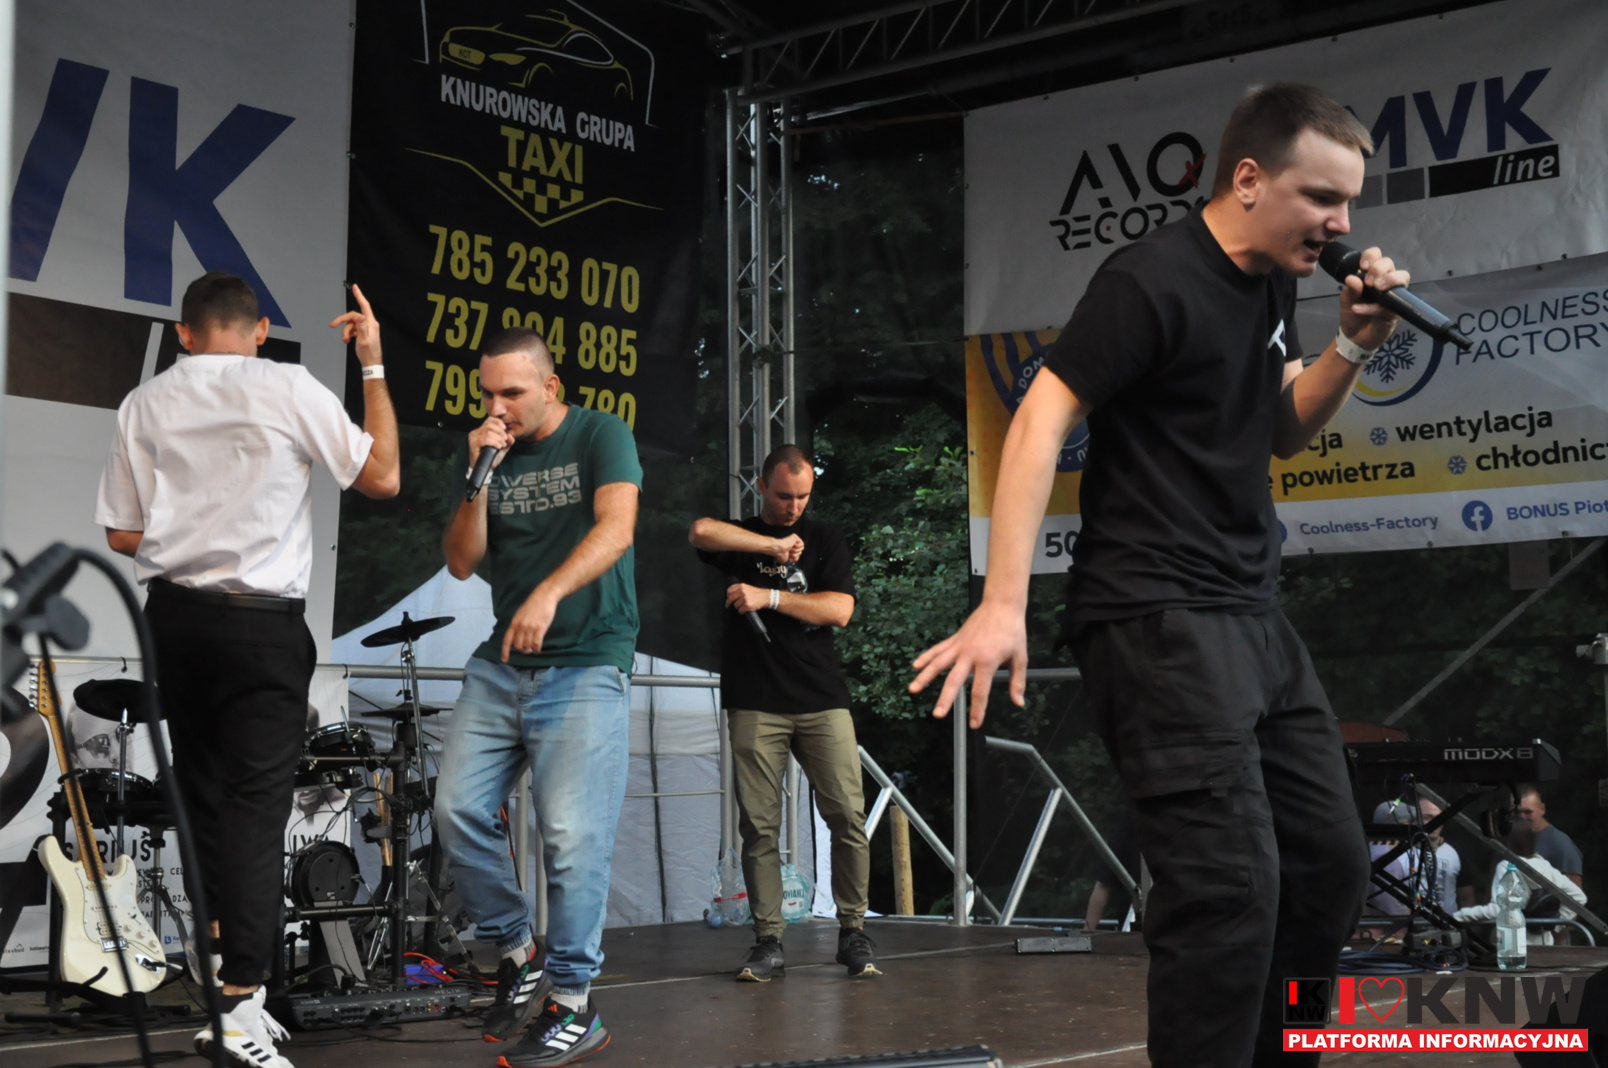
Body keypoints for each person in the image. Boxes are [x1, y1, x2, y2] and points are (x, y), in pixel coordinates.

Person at [910, 84, 1409, 1066]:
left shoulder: (1272, 279)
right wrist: (1003, 603)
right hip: (1157, 615)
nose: (1343, 225)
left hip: (1251, 611)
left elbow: (1281, 427)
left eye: (1349, 202)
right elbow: (1041, 415)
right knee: (1228, 891)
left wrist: (1353, 343)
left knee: (1328, 868)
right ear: (1249, 179)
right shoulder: (1150, 280)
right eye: (1322, 198)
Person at [96, 272, 399, 1068]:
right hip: (259, 625)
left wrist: (191, 527)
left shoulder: (143, 402)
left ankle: (233, 1001)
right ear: (259, 329)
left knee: (202, 803)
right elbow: (382, 477)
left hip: (174, 620)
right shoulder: (286, 385)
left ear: (184, 333)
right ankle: (237, 1008)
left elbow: (122, 534)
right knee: (256, 812)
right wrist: (371, 363)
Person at [435, 327, 639, 1067]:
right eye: (488, 394)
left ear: (551, 387)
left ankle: (575, 1002)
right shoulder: (487, 455)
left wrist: (550, 592)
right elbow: (462, 562)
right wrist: (477, 478)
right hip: (503, 665)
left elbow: (618, 528)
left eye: (512, 393)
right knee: (455, 810)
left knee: (571, 838)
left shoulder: (600, 434)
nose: (498, 407)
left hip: (586, 662)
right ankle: (516, 950)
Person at [688, 445, 878, 982]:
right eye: (784, 496)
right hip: (755, 698)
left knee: (848, 815)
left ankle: (853, 929)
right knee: (759, 825)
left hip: (821, 698)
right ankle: (768, 939)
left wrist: (768, 597)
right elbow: (700, 531)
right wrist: (770, 546)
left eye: (803, 497)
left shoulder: (826, 539)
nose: (794, 506)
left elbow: (840, 609)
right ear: (761, 487)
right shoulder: (744, 537)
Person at [1453, 824, 1586, 945]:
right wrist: (1554, 923)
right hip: (1543, 945)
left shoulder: (1507, 866)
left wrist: (1459, 916)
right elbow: (1579, 897)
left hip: (1512, 946)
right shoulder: (1543, 865)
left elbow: (1499, 909)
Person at [1517, 786, 1583, 890]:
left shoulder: (1561, 845)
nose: (1522, 817)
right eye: (1517, 812)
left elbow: (1575, 895)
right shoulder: (1513, 840)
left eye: (1528, 812)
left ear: (1542, 809)